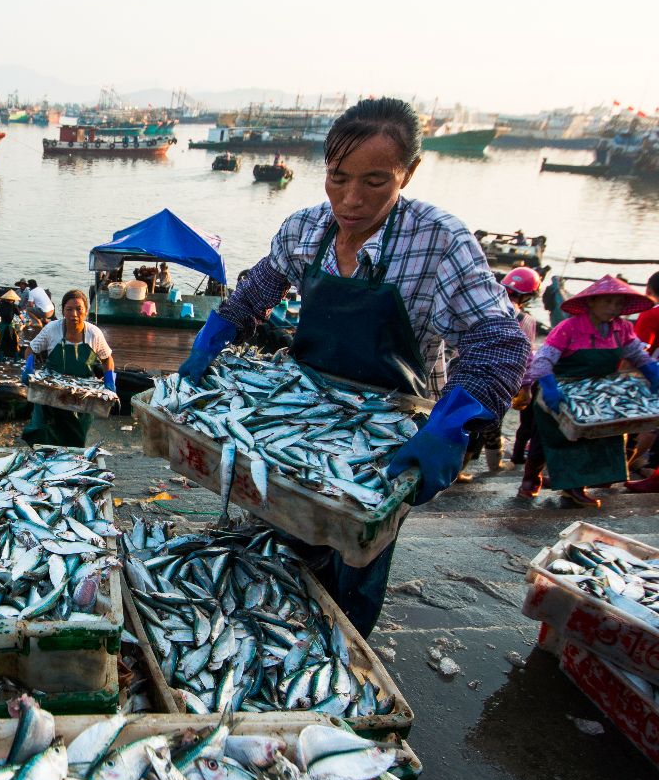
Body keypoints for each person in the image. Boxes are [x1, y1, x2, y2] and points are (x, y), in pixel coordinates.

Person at [176, 97, 530, 636]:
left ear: (408, 173)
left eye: (375, 182)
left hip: (390, 425)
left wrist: (453, 421)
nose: (351, 200)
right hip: (303, 414)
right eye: (338, 178)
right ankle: (272, 626)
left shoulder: (440, 240)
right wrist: (215, 333)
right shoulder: (306, 230)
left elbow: (498, 341)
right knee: (277, 527)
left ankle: (343, 647)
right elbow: (261, 287)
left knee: (357, 554)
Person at [519, 276, 659, 505]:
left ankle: (575, 488)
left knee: (590, 438)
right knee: (546, 439)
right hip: (561, 388)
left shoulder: (621, 328)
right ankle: (531, 479)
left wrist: (652, 371)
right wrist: (551, 388)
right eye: (608, 302)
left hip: (596, 392)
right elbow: (542, 361)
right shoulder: (569, 327)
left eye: (618, 304)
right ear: (591, 302)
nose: (613, 308)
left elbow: (637, 354)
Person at [21, 289, 115, 449]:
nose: (74, 314)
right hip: (50, 391)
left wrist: (109, 379)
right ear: (63, 311)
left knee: (75, 439)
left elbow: (107, 358)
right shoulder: (52, 329)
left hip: (80, 396)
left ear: (86, 310)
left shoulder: (94, 333)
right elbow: (31, 349)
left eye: (79, 309)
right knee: (42, 433)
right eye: (69, 309)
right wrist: (28, 367)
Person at [500, 267, 543, 467]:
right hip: (506, 377)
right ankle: (510, 458)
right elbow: (527, 356)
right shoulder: (526, 320)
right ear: (529, 296)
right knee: (493, 419)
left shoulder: (488, 307)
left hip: (472, 368)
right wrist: (526, 387)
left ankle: (469, 457)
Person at [625, 272, 659, 491]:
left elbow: (636, 350)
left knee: (645, 423)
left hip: (651, 375)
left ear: (648, 290)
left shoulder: (650, 315)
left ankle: (627, 465)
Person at [0, 289, 22, 358]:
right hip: (9, 325)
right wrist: (23, 322)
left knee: (3, 340)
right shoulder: (14, 306)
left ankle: (1, 357)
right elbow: (20, 316)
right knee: (13, 340)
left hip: (4, 325)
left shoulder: (1, 305)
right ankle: (16, 357)